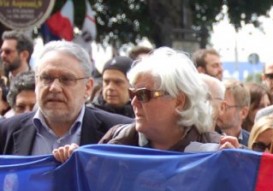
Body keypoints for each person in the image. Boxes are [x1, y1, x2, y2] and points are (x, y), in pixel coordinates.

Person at [52, 47, 237, 162]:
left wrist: (239, 168)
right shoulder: (116, 140)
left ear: (179, 101)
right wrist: (72, 164)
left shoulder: (219, 151)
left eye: (143, 95)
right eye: (132, 94)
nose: (133, 102)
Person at [0, 41, 130, 156]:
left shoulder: (122, 133)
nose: (54, 88)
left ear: (88, 87)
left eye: (66, 79)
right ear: (36, 82)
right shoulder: (6, 132)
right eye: (46, 78)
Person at [217, 79, 250, 146]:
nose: (219, 111)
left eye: (224, 107)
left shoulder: (252, 143)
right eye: (217, 105)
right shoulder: (207, 139)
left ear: (243, 113)